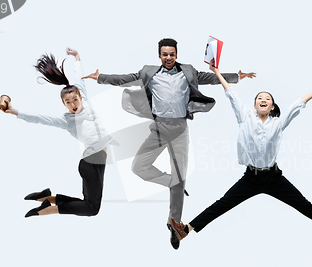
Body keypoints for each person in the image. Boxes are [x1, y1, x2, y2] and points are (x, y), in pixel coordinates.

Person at [82, 38, 255, 250]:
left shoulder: (188, 71)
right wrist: (100, 77)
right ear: (159, 55)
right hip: (159, 128)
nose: (169, 58)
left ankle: (174, 224)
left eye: (172, 54)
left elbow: (211, 78)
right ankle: (173, 183)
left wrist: (237, 76)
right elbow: (125, 79)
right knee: (139, 167)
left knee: (180, 176)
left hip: (180, 129)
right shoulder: (149, 72)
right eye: (165, 54)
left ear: (176, 54)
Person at [169, 60, 312, 246]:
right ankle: (185, 230)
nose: (263, 100)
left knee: (304, 205)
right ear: (255, 105)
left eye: (267, 99)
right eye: (260, 98)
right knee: (222, 204)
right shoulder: (245, 118)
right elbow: (231, 94)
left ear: (272, 106)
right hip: (251, 178)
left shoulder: (278, 124)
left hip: (274, 177)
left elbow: (298, 104)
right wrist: (217, 72)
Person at [3, 48, 112, 217]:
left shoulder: (85, 102)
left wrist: (77, 57)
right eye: (68, 102)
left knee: (88, 205)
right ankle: (51, 209)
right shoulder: (67, 122)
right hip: (91, 161)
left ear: (80, 97)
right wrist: (15, 111)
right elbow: (40, 118)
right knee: (92, 209)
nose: (73, 103)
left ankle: (47, 198)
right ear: (64, 104)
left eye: (75, 99)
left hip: (97, 161)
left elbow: (79, 79)